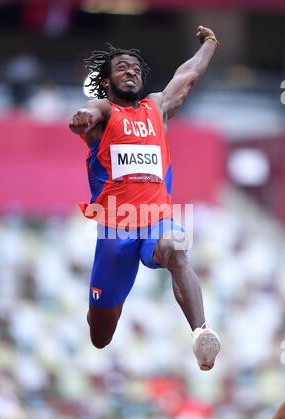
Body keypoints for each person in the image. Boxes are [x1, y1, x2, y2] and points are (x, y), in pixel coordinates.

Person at [69, 25, 220, 370]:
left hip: (157, 219)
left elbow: (189, 73)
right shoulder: (105, 112)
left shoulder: (157, 108)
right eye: (122, 67)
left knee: (177, 248)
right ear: (107, 81)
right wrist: (84, 118)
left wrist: (211, 42)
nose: (131, 72)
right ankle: (113, 301)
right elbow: (91, 112)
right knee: (100, 337)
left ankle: (201, 333)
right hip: (115, 228)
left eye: (136, 68)